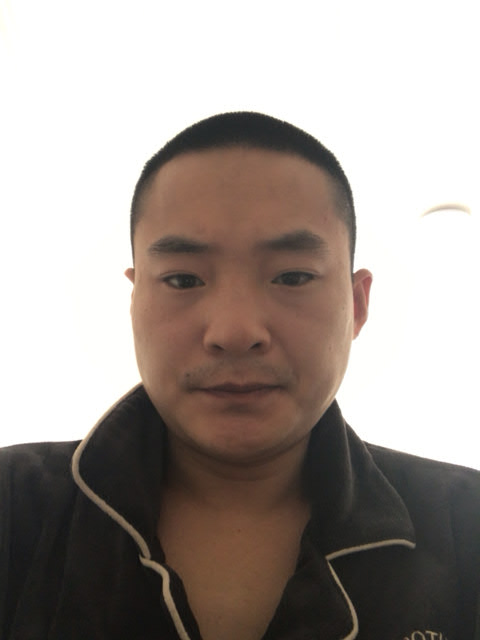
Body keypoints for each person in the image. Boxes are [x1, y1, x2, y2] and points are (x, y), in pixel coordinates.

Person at [0, 112, 479, 640]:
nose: (234, 331)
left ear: (357, 304)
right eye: (183, 280)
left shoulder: (466, 523)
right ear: (135, 302)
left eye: (292, 276)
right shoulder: (15, 506)